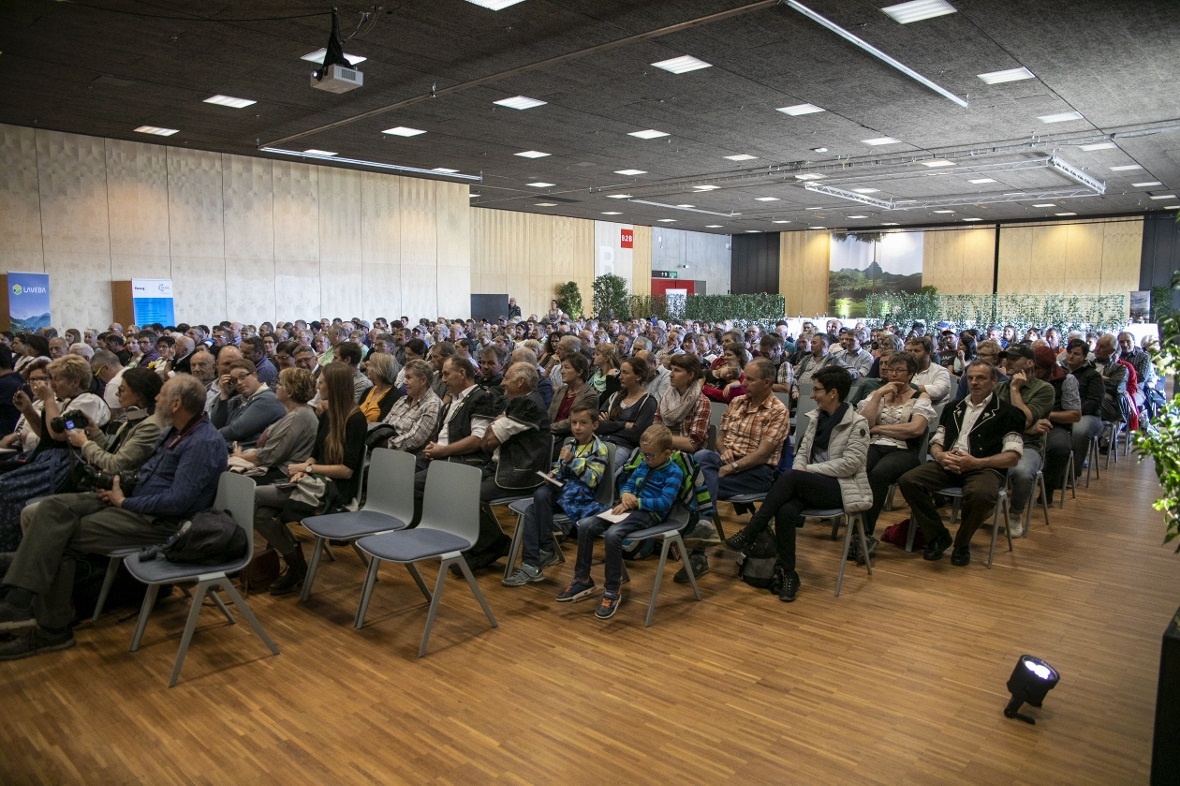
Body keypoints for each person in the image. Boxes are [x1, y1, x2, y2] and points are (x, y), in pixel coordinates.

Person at [0, 375, 226, 659]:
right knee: (51, 508)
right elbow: (146, 474)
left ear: (177, 403)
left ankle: (49, 628)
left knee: (60, 534)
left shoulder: (202, 441)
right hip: (134, 502)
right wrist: (118, 488)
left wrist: (126, 502)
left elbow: (178, 502)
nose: (156, 398)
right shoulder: (175, 430)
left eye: (162, 394)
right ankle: (20, 596)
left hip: (158, 523)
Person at [723, 366, 872, 603]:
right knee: (785, 509)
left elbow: (850, 465)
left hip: (841, 488)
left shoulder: (857, 423)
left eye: (816, 390)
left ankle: (751, 531)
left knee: (791, 476)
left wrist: (805, 471)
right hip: (809, 484)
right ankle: (789, 573)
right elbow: (801, 452)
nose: (811, 395)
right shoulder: (816, 418)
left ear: (833, 393)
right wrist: (803, 470)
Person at [253, 363, 368, 596]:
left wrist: (309, 468)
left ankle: (284, 563)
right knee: (261, 515)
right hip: (316, 481)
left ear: (334, 387)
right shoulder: (328, 414)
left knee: (252, 495)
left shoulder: (356, 420)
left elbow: (346, 471)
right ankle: (296, 566)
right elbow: (314, 453)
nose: (318, 384)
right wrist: (303, 468)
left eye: (322, 382)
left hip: (335, 490)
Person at [897, 360, 1025, 567]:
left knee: (981, 494)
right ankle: (938, 535)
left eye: (981, 378)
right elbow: (937, 442)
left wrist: (976, 462)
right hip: (949, 462)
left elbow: (1013, 456)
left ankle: (962, 543)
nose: (974, 382)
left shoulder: (1008, 413)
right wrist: (940, 456)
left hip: (984, 467)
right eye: (971, 378)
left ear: (994, 380)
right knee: (909, 480)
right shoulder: (952, 407)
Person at [557, 424, 683, 620]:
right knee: (585, 525)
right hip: (627, 507)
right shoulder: (643, 463)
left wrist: (636, 502)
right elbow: (629, 483)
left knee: (613, 535)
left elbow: (665, 502)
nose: (646, 459)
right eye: (644, 454)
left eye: (651, 456)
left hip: (649, 514)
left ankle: (612, 590)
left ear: (667, 453)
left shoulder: (673, 472)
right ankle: (582, 579)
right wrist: (625, 494)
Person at [502, 405, 609, 587]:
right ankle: (536, 558)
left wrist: (573, 461)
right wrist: (552, 475)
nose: (577, 427)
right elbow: (560, 469)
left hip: (579, 497)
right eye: (574, 423)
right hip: (562, 493)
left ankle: (537, 557)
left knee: (534, 506)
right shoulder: (569, 445)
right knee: (538, 499)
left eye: (583, 423)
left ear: (595, 425)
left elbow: (592, 480)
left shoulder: (600, 449)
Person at [469, 362, 552, 569]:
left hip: (518, 475)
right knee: (454, 485)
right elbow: (487, 441)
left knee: (465, 496)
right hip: (498, 468)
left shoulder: (528, 404)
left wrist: (495, 425)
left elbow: (488, 442)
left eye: (507, 379)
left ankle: (494, 544)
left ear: (521, 382)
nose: (503, 383)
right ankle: (482, 545)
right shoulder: (518, 402)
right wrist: (496, 423)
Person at [854, 352, 935, 562]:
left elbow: (915, 429)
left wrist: (880, 427)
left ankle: (865, 535)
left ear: (910, 374)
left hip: (904, 450)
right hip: (873, 445)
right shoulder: (878, 393)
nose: (893, 374)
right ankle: (858, 532)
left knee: (879, 474)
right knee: (858, 467)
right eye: (890, 369)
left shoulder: (921, 397)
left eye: (899, 370)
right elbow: (864, 424)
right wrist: (878, 395)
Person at [228, 367, 318, 479]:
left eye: (280, 384)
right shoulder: (299, 412)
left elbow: (271, 455)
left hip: (284, 472)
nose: (276, 387)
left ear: (290, 391)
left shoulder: (299, 416)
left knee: (232, 481)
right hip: (278, 467)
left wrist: (241, 456)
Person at [210, 359, 285, 449]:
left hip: (247, 454)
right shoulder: (236, 400)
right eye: (234, 380)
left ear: (254, 375)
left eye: (242, 377)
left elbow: (238, 430)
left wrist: (212, 433)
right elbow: (215, 423)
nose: (239, 383)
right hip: (228, 449)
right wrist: (224, 395)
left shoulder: (268, 399)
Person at [596, 356, 657, 452]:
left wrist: (609, 425)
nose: (620, 377)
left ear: (638, 377)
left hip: (624, 447)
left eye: (625, 373)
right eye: (620, 372)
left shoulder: (648, 402)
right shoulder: (614, 396)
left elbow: (636, 434)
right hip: (601, 442)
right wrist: (624, 424)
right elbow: (597, 425)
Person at [547, 352, 598, 444]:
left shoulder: (590, 395)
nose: (561, 371)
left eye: (566, 368)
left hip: (571, 438)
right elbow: (549, 414)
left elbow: (571, 422)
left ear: (579, 372)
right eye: (562, 367)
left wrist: (547, 428)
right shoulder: (561, 390)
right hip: (550, 433)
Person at [358, 352, 401, 423]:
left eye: (371, 365)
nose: (367, 368)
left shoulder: (394, 396)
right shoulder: (368, 390)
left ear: (381, 370)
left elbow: (381, 424)